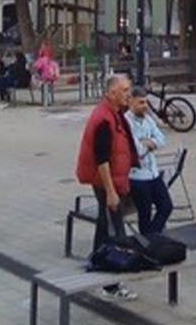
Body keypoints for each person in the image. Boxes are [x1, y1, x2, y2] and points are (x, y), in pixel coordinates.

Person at [75, 74, 138, 302]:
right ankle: (111, 284)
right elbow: (101, 159)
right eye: (125, 90)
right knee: (115, 232)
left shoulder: (114, 113)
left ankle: (95, 265)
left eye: (129, 89)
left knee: (104, 227)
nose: (129, 94)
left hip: (112, 181)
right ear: (112, 93)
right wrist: (111, 192)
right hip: (106, 183)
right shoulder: (104, 118)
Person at [124, 87, 173, 236]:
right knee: (144, 212)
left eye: (146, 102)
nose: (145, 106)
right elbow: (136, 151)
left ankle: (151, 238)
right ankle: (149, 239)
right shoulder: (126, 122)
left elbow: (162, 140)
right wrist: (149, 144)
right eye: (140, 102)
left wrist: (148, 142)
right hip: (137, 176)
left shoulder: (148, 119)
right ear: (130, 101)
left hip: (153, 173)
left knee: (166, 206)